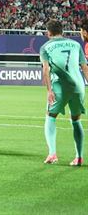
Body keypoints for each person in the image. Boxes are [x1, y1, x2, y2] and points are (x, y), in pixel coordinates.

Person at [41, 20, 88, 166]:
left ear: (48, 32)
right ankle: (79, 157)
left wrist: (49, 91)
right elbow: (84, 67)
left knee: (50, 116)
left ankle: (52, 154)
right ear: (62, 31)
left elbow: (46, 70)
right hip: (78, 86)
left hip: (60, 86)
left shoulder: (45, 47)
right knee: (76, 120)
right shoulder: (76, 44)